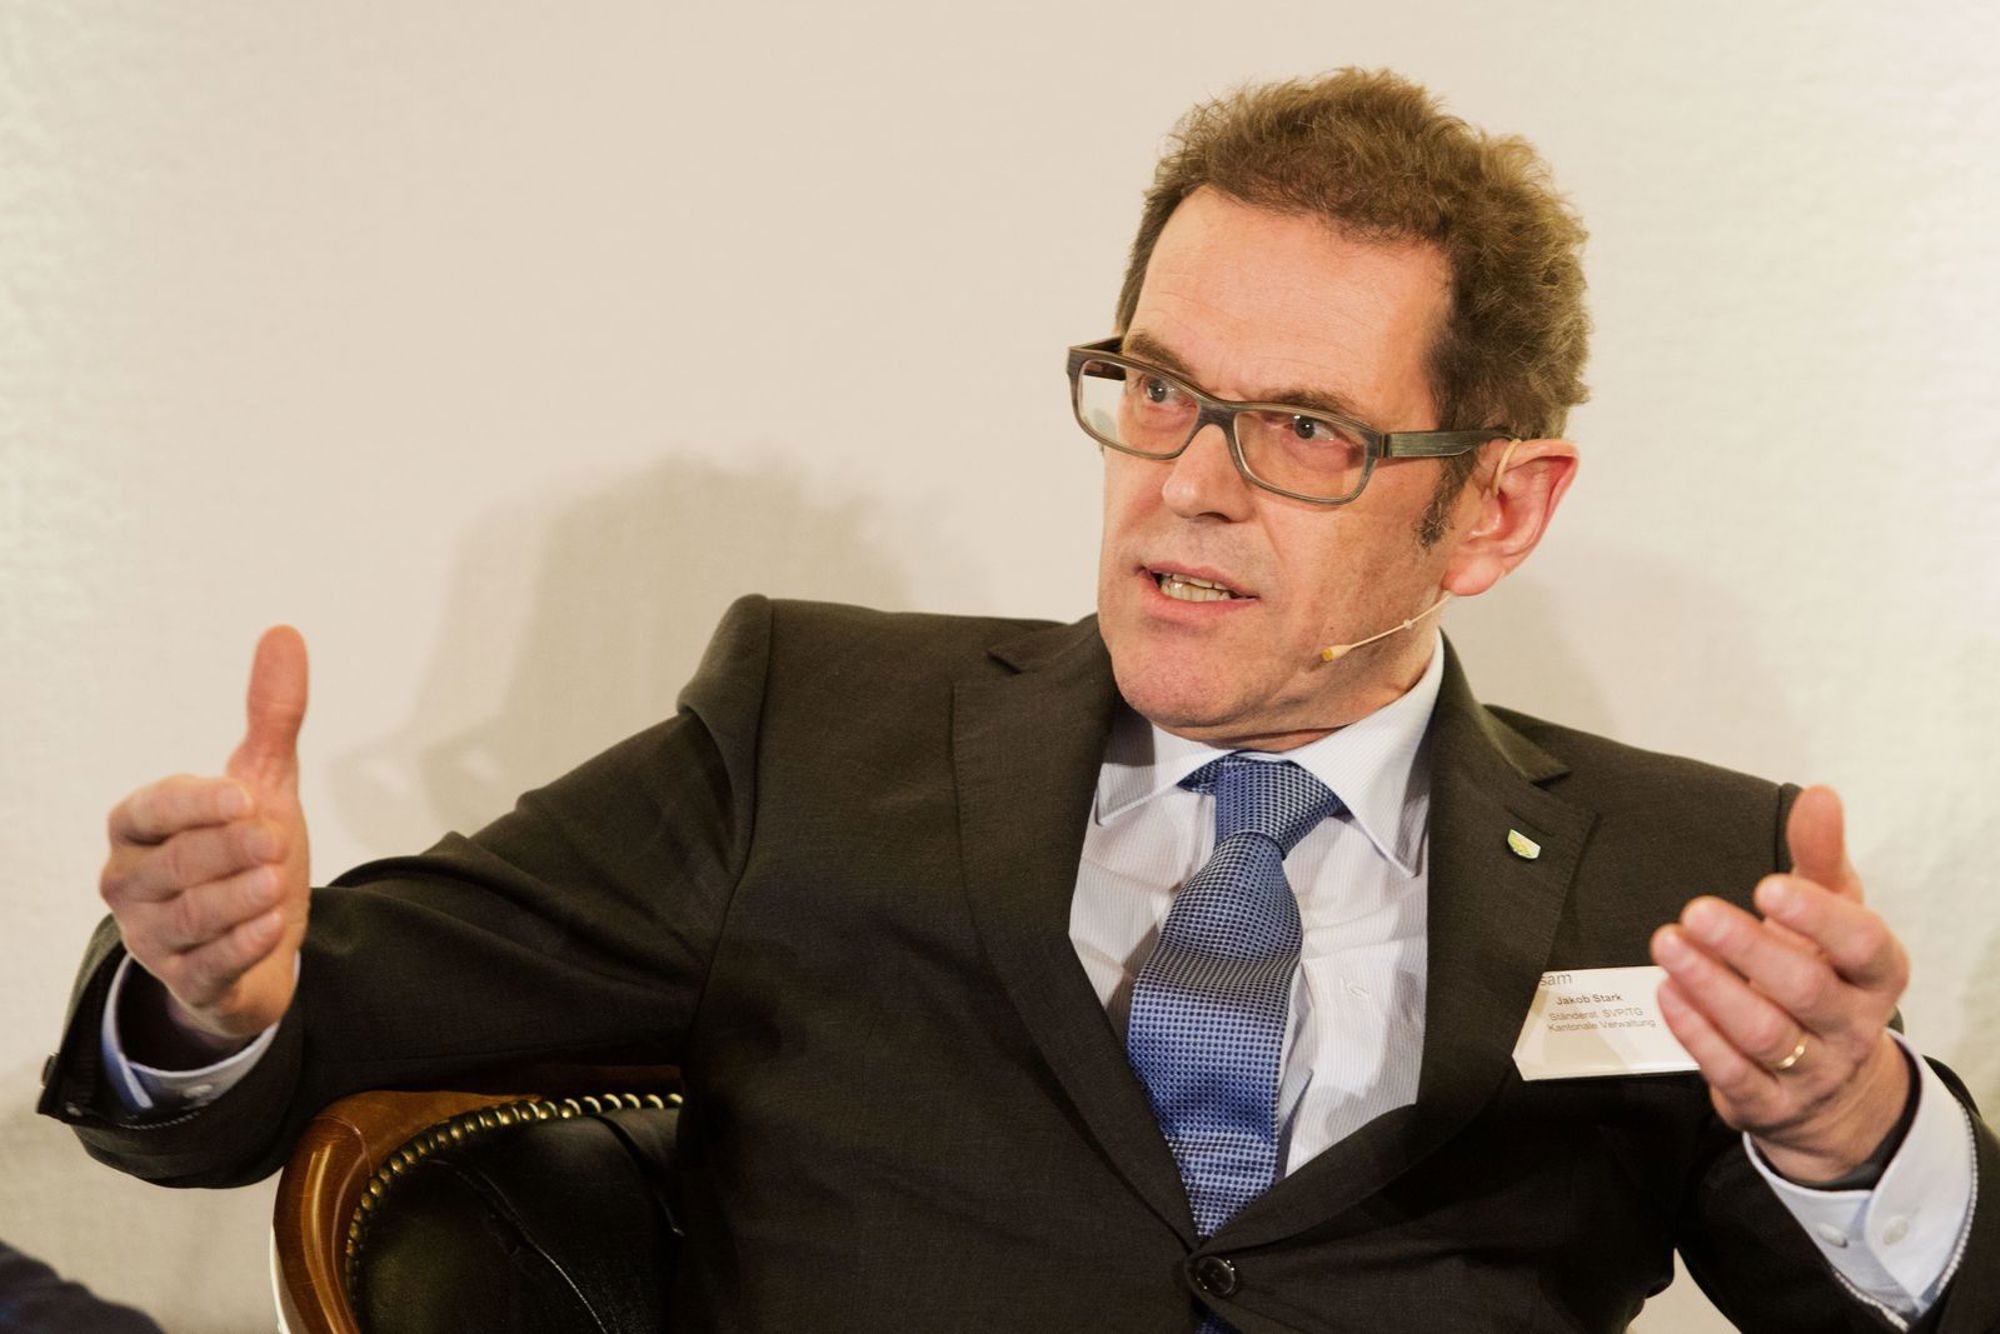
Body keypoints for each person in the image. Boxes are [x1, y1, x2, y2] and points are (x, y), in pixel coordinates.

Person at [39, 69, 1997, 1331]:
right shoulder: (819, 734)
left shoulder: (1683, 876)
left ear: (1494, 509)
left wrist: (1855, 1128)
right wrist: (209, 984)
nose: (1189, 485)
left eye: (1302, 429)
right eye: (1158, 388)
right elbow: (306, 1019)